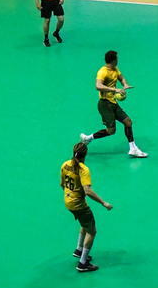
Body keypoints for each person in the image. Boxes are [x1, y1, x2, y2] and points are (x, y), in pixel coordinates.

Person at [79, 50, 148, 158]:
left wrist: (125, 85)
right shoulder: (102, 72)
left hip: (113, 103)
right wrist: (114, 90)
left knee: (128, 122)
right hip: (104, 104)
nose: (118, 60)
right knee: (111, 131)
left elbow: (121, 78)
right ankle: (88, 138)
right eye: (117, 58)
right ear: (113, 60)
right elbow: (98, 86)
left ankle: (133, 149)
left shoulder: (115, 69)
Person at [61, 141, 112, 273]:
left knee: (85, 223)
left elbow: (62, 185)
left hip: (68, 201)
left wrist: (71, 195)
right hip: (78, 204)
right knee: (92, 231)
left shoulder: (65, 165)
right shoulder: (83, 170)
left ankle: (79, 250)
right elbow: (88, 191)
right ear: (85, 155)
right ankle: (82, 263)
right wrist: (104, 203)